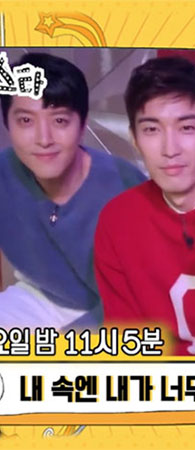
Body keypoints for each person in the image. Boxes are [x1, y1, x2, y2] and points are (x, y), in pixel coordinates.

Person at [94, 57, 195, 356]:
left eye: (187, 128)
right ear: (134, 139)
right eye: (152, 130)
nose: (170, 149)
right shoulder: (117, 220)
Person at [0, 52, 146, 330]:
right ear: (8, 124)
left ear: (82, 125)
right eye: (26, 121)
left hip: (118, 310)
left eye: (59, 121)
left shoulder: (124, 188)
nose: (44, 139)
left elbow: (137, 299)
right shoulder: (5, 170)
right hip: (38, 295)